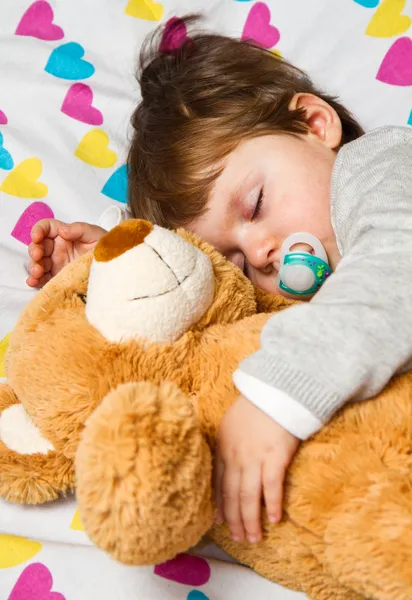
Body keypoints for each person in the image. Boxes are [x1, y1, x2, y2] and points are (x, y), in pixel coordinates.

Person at [26, 17, 412, 547]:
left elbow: (397, 266)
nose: (258, 252)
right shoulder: (280, 297)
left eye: (255, 205)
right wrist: (126, 263)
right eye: (235, 260)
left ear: (314, 126)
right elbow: (212, 312)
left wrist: (278, 393)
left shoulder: (383, 166)